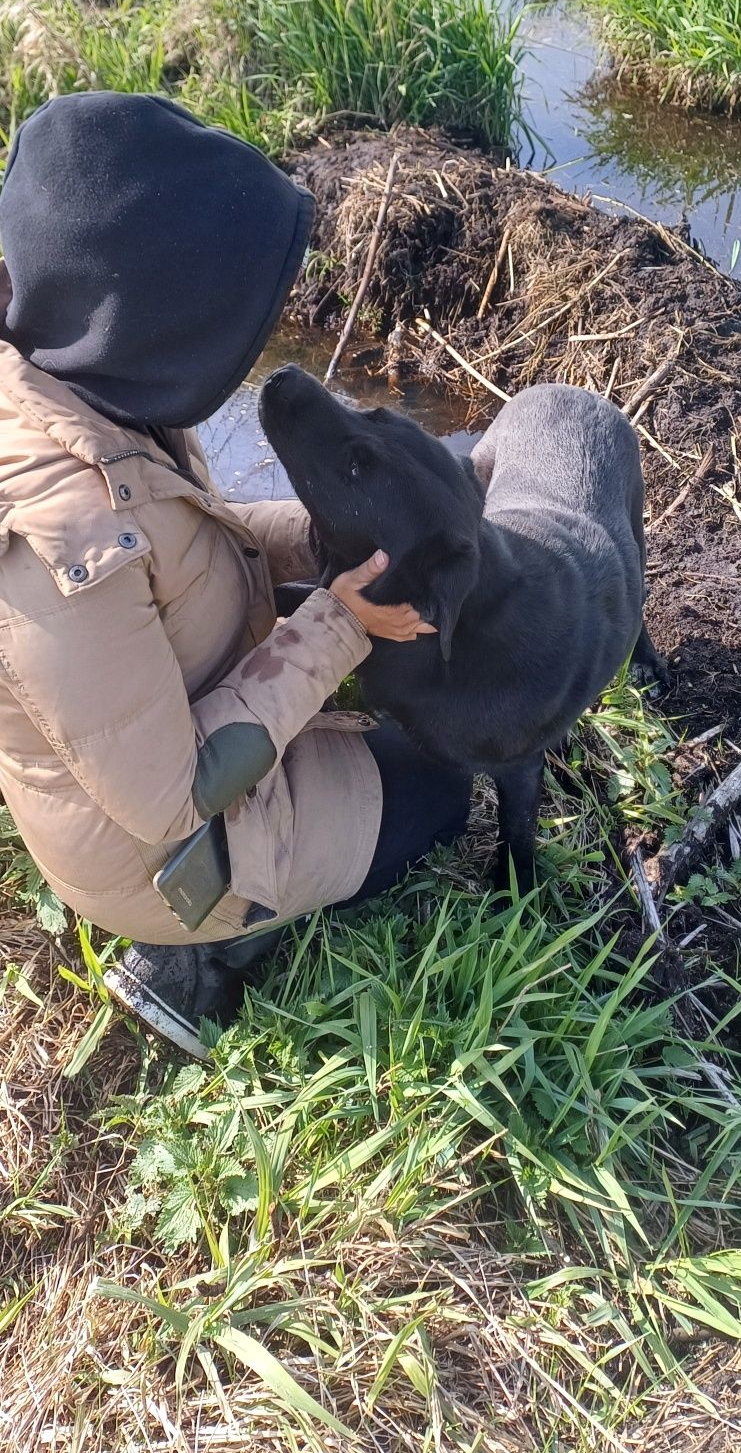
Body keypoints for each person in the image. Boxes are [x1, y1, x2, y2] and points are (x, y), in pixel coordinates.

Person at [0, 91, 473, 1057]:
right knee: (443, 789)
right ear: (157, 313)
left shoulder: (82, 376)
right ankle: (211, 954)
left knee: (403, 692)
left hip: (183, 685)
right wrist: (336, 629)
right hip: (166, 856)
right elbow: (171, 793)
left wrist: (317, 537)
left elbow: (194, 536)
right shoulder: (57, 538)